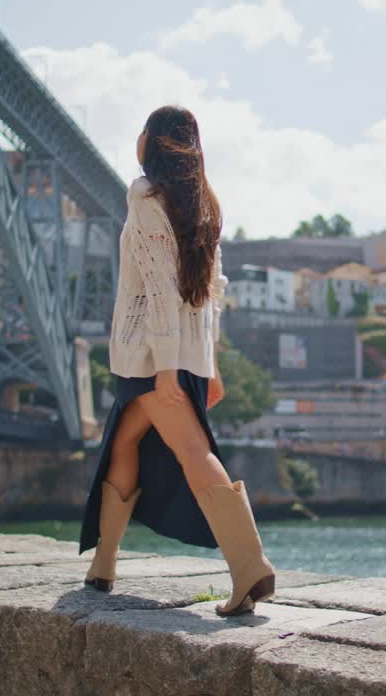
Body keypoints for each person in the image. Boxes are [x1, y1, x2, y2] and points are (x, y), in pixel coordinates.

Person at [77, 105, 276, 617]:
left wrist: (168, 367)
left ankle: (250, 566)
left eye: (142, 133)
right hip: (174, 353)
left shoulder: (144, 195)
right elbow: (213, 291)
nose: (137, 141)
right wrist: (207, 364)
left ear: (154, 142)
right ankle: (103, 564)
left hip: (151, 355)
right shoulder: (205, 202)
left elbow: (166, 289)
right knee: (124, 440)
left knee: (190, 452)